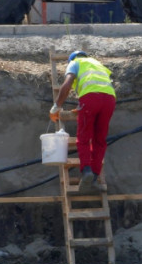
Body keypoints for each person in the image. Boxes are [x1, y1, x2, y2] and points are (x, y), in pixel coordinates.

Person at [50, 50, 116, 192]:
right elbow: (101, 90)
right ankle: (94, 178)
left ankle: (86, 171)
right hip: (110, 99)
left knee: (84, 138)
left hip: (90, 99)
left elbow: (67, 84)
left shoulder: (74, 63)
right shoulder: (98, 64)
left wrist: (56, 106)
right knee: (100, 140)